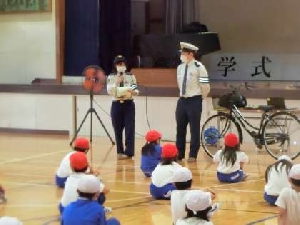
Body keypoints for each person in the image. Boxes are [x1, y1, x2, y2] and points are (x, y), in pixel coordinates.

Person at [176, 42, 210, 162]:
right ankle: (179, 154)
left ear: (191, 54)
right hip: (182, 100)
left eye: (184, 53)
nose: (182, 55)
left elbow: (205, 86)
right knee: (180, 128)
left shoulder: (199, 67)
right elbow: (179, 84)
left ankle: (192, 154)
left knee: (194, 128)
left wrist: (201, 97)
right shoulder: (180, 67)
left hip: (194, 100)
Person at [107, 55, 139, 160]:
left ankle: (129, 152)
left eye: (122, 64)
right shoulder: (111, 77)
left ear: (125, 65)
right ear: (115, 65)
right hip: (116, 104)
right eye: (118, 64)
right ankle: (120, 151)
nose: (121, 66)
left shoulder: (131, 76)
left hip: (128, 104)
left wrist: (133, 91)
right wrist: (117, 81)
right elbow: (109, 91)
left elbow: (136, 89)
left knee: (130, 129)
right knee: (117, 128)